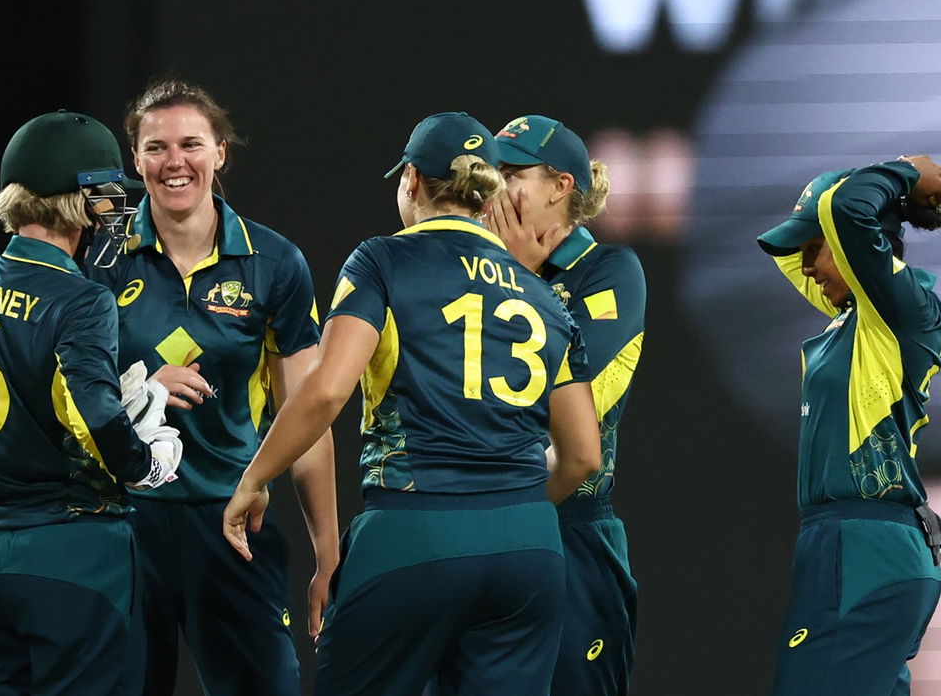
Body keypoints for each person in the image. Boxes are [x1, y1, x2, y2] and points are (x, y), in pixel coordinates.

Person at [222, 111, 603, 696]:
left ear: (410, 182)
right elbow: (582, 457)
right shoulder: (545, 294)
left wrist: (255, 478)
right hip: (527, 548)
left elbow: (325, 389)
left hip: (413, 528)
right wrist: (506, 505)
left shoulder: (383, 261)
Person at [0, 109, 183, 696]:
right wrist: (144, 461)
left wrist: (15, 442)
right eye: (105, 190)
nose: (116, 205)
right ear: (75, 197)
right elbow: (96, 418)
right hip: (72, 550)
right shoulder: (82, 300)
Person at [93, 79, 336, 696]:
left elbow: (306, 414)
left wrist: (326, 550)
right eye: (156, 148)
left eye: (191, 144)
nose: (175, 162)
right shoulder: (98, 258)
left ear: (221, 152)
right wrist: (139, 386)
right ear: (136, 159)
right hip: (121, 521)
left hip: (232, 523)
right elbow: (61, 386)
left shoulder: (274, 263)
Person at [755, 155, 941, 696]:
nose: (808, 267)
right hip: (849, 545)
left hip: (865, 547)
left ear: (853, 244)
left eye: (814, 249)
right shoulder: (852, 319)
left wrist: (906, 172)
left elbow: (846, 209)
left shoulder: (902, 310)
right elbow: (804, 247)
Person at [486, 114, 646, 696]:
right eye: (489, 172)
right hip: (477, 523)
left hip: (570, 530)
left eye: (511, 173)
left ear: (562, 186)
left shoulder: (610, 271)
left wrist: (513, 277)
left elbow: (546, 400)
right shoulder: (470, 269)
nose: (494, 189)